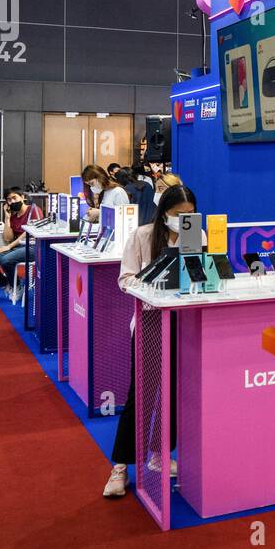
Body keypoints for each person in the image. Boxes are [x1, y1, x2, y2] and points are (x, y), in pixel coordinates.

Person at [103, 184, 198, 499]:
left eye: (189, 215)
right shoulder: (142, 236)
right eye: (177, 215)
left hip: (183, 325)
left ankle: (160, 453)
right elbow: (125, 279)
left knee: (174, 393)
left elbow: (200, 275)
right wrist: (153, 284)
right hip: (149, 323)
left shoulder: (195, 235)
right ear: (164, 213)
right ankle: (120, 467)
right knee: (140, 395)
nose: (183, 220)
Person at [0, 187, 42, 294]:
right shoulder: (13, 216)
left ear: (22, 197)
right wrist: (7, 218)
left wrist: (9, 246)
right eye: (9, 199)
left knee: (6, 261)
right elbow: (8, 238)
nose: (12, 201)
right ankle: (8, 284)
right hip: (16, 247)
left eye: (14, 198)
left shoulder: (34, 210)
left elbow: (28, 233)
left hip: (32, 247)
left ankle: (17, 287)